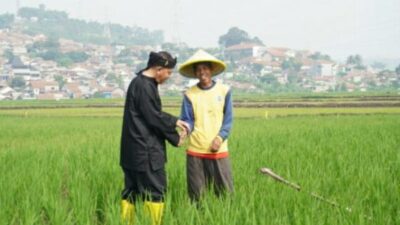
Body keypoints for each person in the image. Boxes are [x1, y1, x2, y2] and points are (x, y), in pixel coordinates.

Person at [120, 51, 188, 225]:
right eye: (169, 72)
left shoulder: (138, 83)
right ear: (159, 69)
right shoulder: (145, 86)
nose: (169, 76)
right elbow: (154, 118)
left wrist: (173, 125)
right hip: (146, 152)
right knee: (156, 191)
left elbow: (150, 115)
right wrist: (175, 133)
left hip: (131, 152)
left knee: (131, 191)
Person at [178, 49, 234, 203]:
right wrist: (184, 131)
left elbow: (228, 120)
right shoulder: (190, 94)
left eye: (205, 68)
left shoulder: (224, 91)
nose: (202, 72)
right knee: (197, 196)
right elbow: (187, 119)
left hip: (218, 150)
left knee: (225, 194)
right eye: (198, 69)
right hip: (196, 150)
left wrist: (220, 137)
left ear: (211, 70)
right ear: (195, 73)